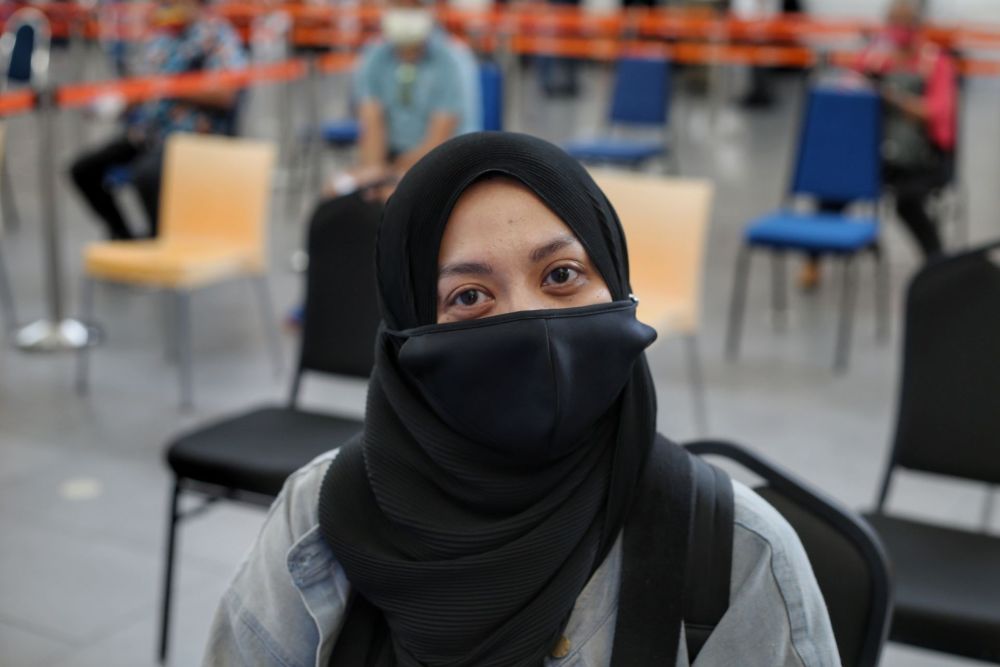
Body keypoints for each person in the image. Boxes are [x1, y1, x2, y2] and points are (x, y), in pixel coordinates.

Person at [204, 132, 839, 666]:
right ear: (406, 337)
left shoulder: (735, 557)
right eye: (469, 296)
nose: (530, 322)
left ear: (616, 284)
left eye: (561, 275)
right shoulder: (317, 521)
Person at [801, 0, 957, 288]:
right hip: (873, 154)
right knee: (833, 192)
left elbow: (936, 112)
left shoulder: (935, 63)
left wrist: (891, 96)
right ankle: (812, 262)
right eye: (894, 21)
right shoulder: (874, 57)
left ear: (918, 25)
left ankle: (938, 267)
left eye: (905, 22)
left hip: (920, 159)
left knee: (908, 202)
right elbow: (847, 89)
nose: (899, 29)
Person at [69, 0, 247, 240]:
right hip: (150, 132)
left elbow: (226, 95)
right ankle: (124, 239)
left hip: (194, 136)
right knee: (83, 170)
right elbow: (146, 85)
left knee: (146, 175)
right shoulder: (162, 36)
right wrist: (113, 104)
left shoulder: (218, 36)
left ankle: (161, 242)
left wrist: (173, 86)